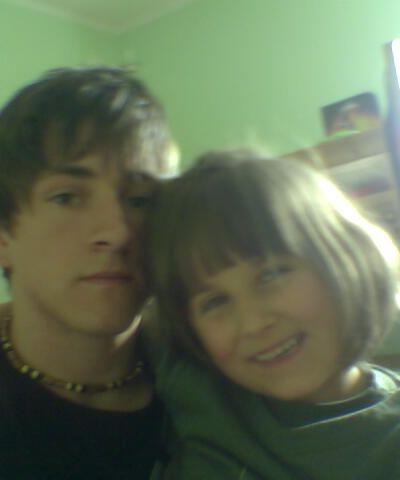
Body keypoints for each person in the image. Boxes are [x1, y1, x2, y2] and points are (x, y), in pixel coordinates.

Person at [146, 148, 400, 479]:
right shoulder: (194, 383)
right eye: (215, 302)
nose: (253, 323)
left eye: (272, 275)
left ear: (347, 259)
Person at [0, 66, 177, 479]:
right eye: (67, 197)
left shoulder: (219, 375)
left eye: (139, 200)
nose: (117, 233)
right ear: (4, 238)